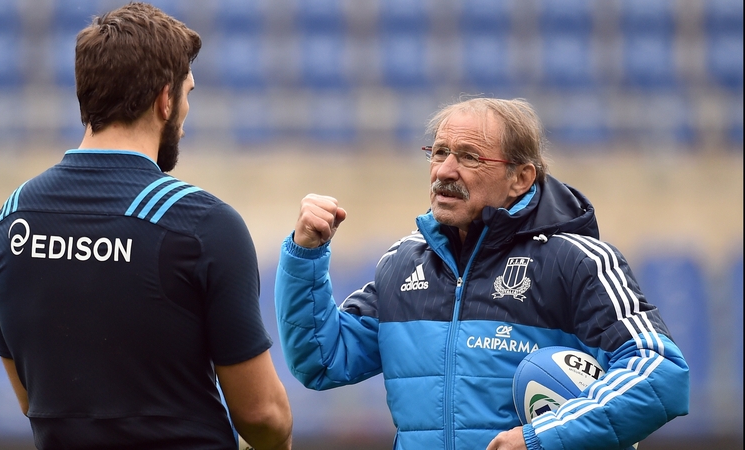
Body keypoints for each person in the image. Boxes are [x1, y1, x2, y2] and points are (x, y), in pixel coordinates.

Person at [274, 97, 689, 450]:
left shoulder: (575, 262)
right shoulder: (401, 265)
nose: (444, 171)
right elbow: (321, 360)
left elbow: (661, 372)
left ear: (521, 178)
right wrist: (304, 254)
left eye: (469, 157)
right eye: (438, 153)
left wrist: (541, 438)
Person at [0, 3, 292, 450]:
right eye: (187, 94)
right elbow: (262, 415)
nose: (185, 117)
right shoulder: (203, 225)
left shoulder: (8, 223)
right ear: (165, 99)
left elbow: (31, 397)